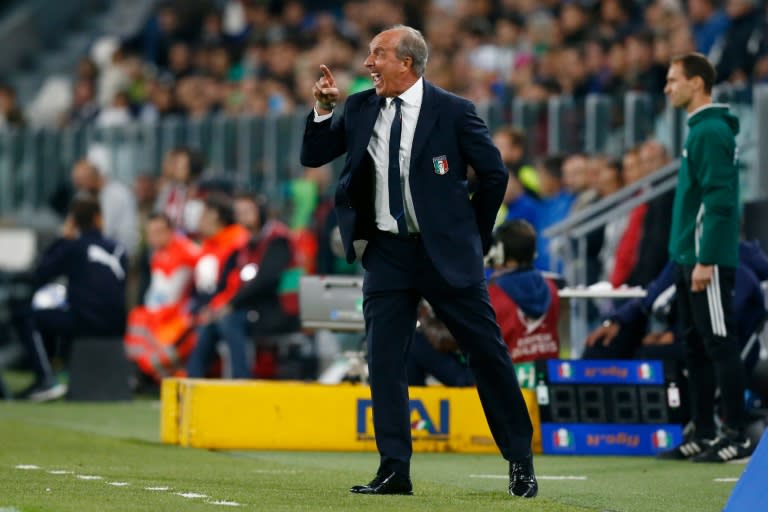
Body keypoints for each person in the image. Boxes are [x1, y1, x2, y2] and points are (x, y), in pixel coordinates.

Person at [300, 25, 537, 497]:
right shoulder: (362, 105)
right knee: (385, 358)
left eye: (378, 55)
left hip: (445, 252)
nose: (368, 65)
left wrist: (472, 233)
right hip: (388, 251)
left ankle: (520, 459)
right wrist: (324, 108)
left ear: (406, 63)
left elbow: (493, 174)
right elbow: (314, 154)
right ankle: (394, 469)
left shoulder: (453, 111)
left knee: (487, 354)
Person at [660, 52, 752, 462]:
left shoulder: (711, 131)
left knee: (719, 344)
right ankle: (704, 429)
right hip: (688, 256)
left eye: (673, 79)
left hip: (705, 260)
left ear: (697, 83)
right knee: (695, 347)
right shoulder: (699, 129)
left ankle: (735, 434)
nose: (667, 88)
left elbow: (719, 201)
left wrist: (706, 258)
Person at [408, 220, 560, 386]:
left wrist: (425, 318)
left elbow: (455, 340)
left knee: (414, 341)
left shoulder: (493, 294)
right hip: (542, 374)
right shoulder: (551, 287)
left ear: (501, 252)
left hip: (496, 378)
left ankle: (413, 408)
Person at [11, 195, 127, 401]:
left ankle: (45, 379)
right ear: (99, 218)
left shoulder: (73, 247)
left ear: (73, 221)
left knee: (28, 316)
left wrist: (64, 237)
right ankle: (59, 366)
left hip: (84, 322)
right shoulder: (118, 249)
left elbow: (41, 272)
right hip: (118, 324)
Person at [185, 194, 249, 378]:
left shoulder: (236, 241)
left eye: (202, 214)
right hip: (210, 308)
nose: (198, 220)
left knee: (219, 325)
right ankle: (192, 383)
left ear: (214, 215)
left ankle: (241, 381)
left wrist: (213, 308)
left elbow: (235, 285)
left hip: (235, 306)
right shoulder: (208, 245)